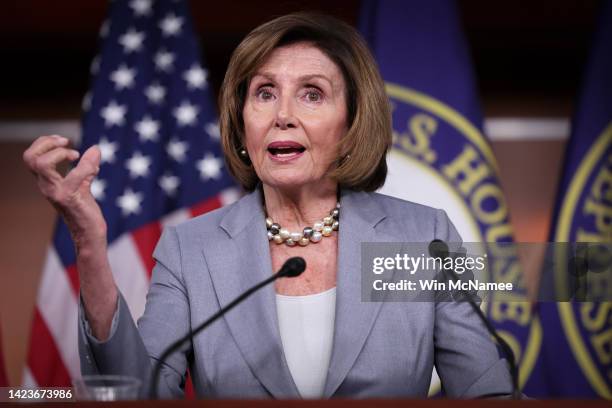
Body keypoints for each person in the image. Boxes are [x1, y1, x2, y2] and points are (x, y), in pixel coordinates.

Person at [23, 12, 513, 399]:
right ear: (242, 126)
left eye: (312, 94)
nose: (283, 116)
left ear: (352, 123)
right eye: (264, 93)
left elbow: (483, 391)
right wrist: (88, 243)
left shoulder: (419, 237)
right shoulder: (192, 249)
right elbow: (141, 391)